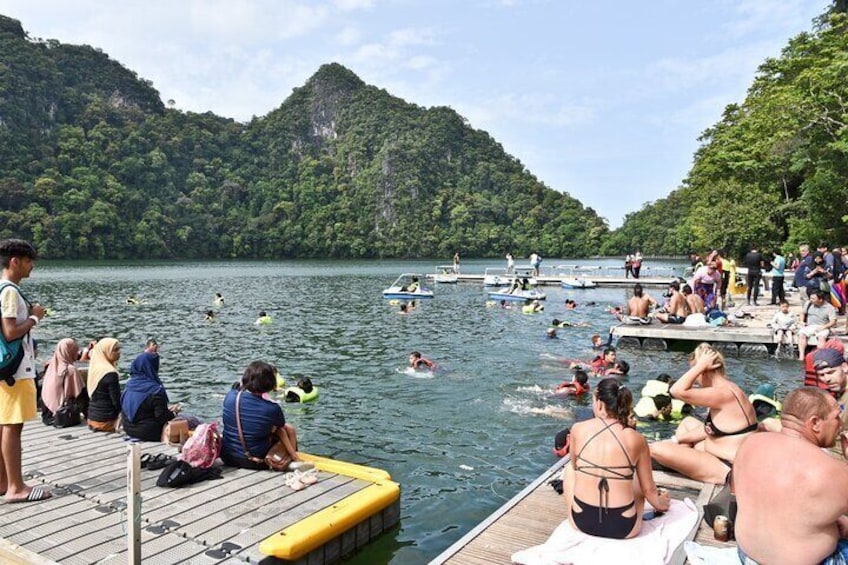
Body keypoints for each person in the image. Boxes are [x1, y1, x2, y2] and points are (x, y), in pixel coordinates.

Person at [734, 387, 848, 565]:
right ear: (815, 423)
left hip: (749, 557)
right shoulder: (833, 471)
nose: (840, 423)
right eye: (836, 416)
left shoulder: (749, 443)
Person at [561, 378, 670, 539]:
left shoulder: (578, 429)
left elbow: (576, 466)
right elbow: (649, 491)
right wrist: (662, 504)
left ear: (599, 403)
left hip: (582, 522)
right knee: (636, 477)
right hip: (624, 528)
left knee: (570, 469)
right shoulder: (637, 439)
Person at [649, 343, 757, 483]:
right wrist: (676, 440)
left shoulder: (722, 394)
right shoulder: (729, 388)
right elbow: (711, 428)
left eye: (695, 373)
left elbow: (675, 391)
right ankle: (681, 459)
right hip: (720, 453)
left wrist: (700, 366)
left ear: (704, 371)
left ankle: (680, 461)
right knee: (687, 422)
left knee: (655, 449)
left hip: (728, 467)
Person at [0, 239, 51, 503]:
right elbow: (10, 332)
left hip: (6, 370)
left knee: (4, 424)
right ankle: (16, 488)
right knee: (12, 426)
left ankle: (4, 481)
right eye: (29, 261)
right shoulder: (9, 291)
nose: (32, 266)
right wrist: (35, 318)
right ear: (14, 261)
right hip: (15, 371)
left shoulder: (3, 289)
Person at [221, 361, 301, 470]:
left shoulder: (230, 396)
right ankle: (292, 458)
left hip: (227, 457)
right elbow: (280, 426)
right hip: (255, 461)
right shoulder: (272, 408)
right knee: (286, 429)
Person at [121, 350, 180, 442]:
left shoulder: (129, 385)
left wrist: (166, 410)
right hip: (148, 433)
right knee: (187, 419)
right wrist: (174, 413)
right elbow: (161, 418)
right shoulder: (155, 389)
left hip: (129, 429)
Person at [40, 338, 87, 425]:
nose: (77, 353)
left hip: (46, 415)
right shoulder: (70, 370)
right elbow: (80, 394)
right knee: (82, 390)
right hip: (61, 415)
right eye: (75, 350)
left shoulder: (51, 365)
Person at [86, 338, 122, 432]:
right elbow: (116, 402)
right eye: (115, 350)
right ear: (106, 351)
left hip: (92, 418)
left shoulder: (96, 367)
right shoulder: (110, 373)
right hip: (106, 421)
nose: (119, 352)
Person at [798, 290, 837, 361]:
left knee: (821, 337)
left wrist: (824, 327)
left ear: (820, 299)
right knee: (801, 334)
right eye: (810, 298)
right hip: (810, 326)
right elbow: (802, 313)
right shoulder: (808, 303)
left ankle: (820, 357)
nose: (811, 300)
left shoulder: (829, 307)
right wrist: (801, 321)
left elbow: (833, 321)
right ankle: (801, 356)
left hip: (823, 326)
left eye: (813, 299)